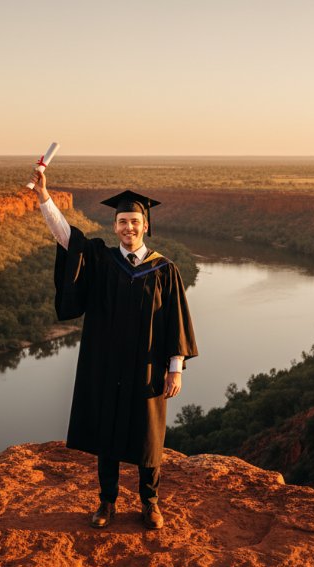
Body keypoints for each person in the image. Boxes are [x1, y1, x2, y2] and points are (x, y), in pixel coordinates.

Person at [31, 168, 198, 530]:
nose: (128, 228)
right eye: (122, 221)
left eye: (134, 221)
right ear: (115, 226)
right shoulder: (104, 262)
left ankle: (150, 502)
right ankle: (107, 502)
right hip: (108, 367)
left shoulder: (164, 270)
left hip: (149, 368)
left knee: (149, 438)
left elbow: (177, 321)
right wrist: (45, 197)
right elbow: (66, 238)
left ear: (145, 224)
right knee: (107, 435)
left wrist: (176, 367)